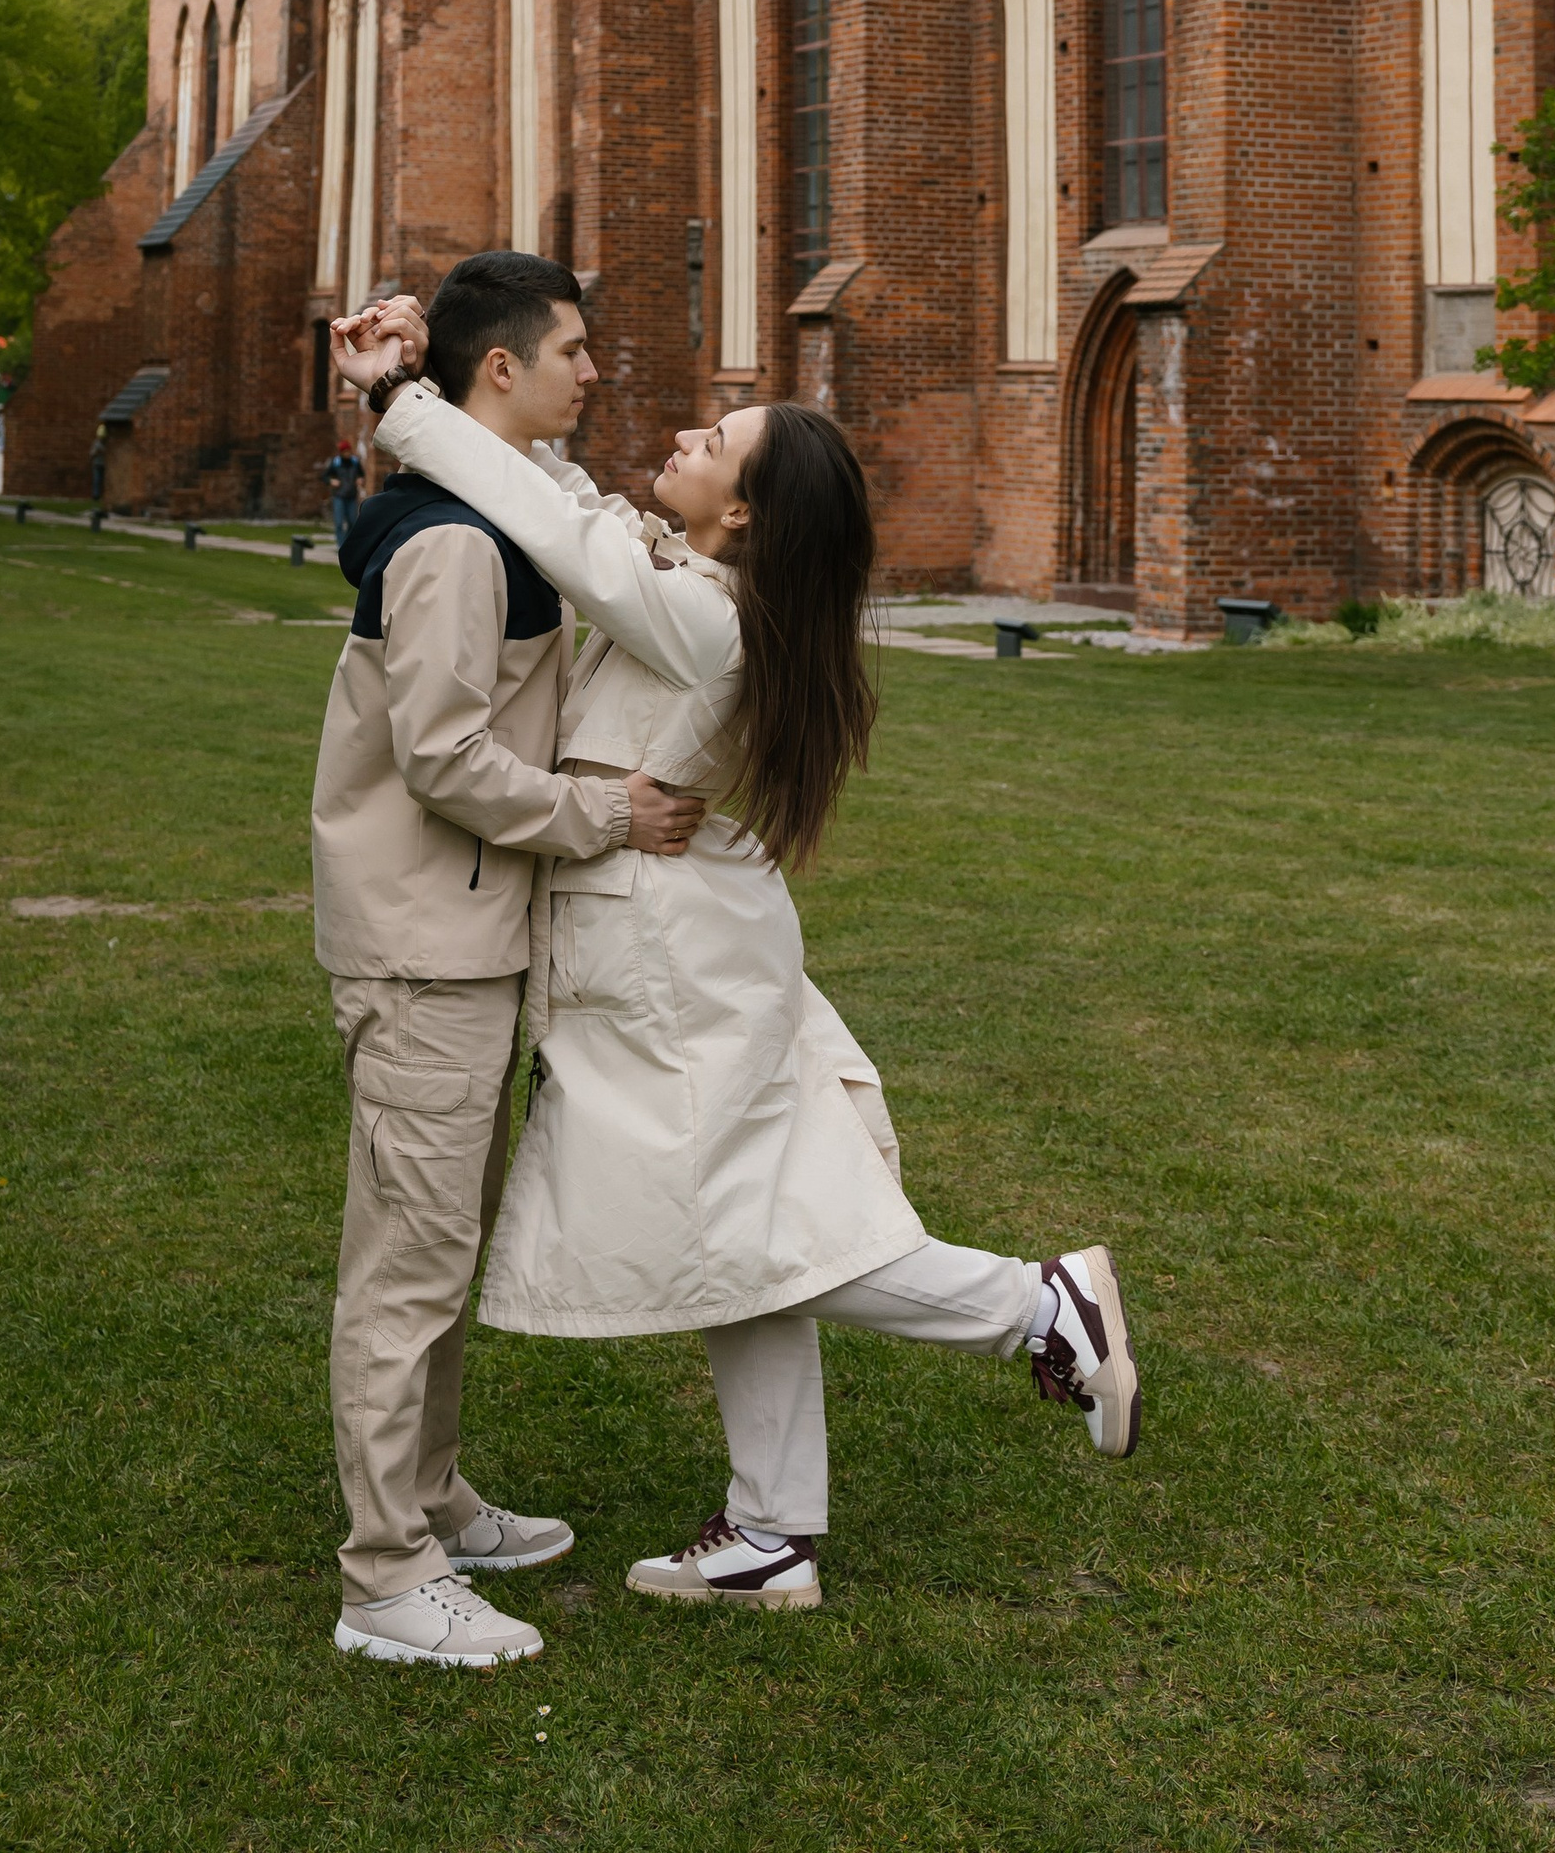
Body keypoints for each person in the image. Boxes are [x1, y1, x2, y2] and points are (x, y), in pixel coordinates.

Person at [335, 291, 1139, 1617]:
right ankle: (772, 1527)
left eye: (713, 439)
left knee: (759, 1223)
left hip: (668, 963)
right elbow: (581, 504)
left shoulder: (702, 618)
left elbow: (557, 526)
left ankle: (1039, 1308)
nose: (683, 438)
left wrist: (404, 409)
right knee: (743, 1227)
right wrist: (409, 402)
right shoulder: (708, 593)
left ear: (746, 512)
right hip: (684, 942)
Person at [316, 251, 706, 1674]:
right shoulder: (455, 546)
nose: (594, 372)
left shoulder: (486, 508)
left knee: (438, 1249)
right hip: (425, 946)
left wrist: (383, 399)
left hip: (466, 940)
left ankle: (429, 1498)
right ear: (503, 371)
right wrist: (608, 816)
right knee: (409, 1267)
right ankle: (385, 1574)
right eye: (575, 351)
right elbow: (444, 759)